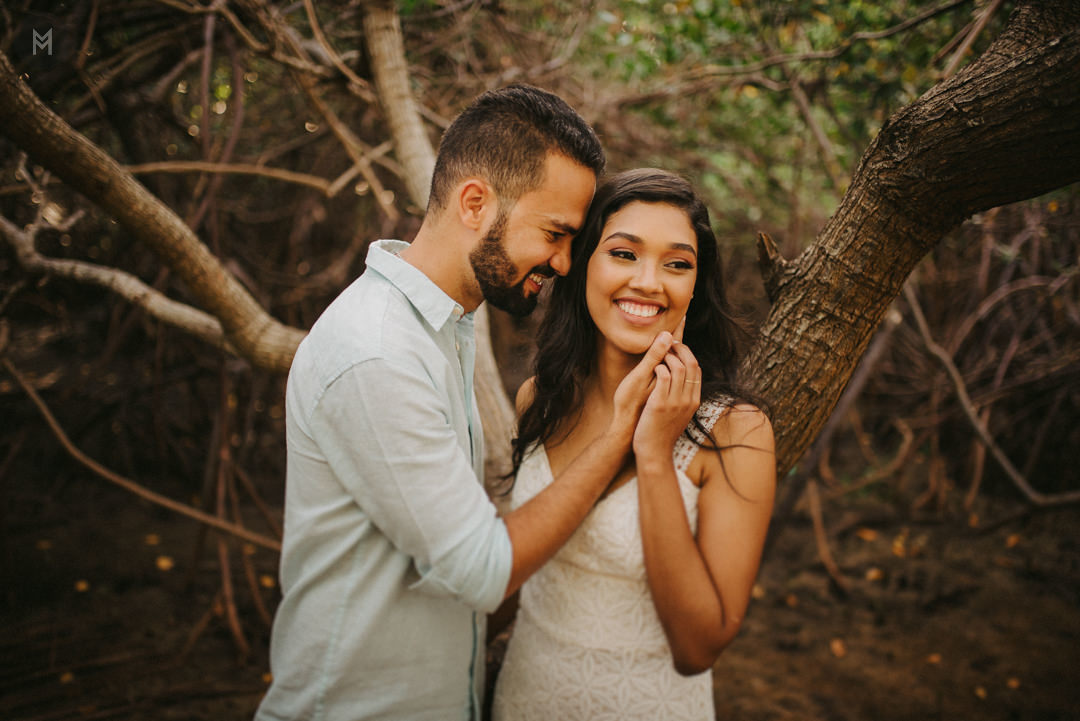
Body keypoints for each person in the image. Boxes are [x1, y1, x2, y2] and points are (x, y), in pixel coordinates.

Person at [256, 87, 679, 721]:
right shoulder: (378, 351)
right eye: (556, 233)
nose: (565, 261)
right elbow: (482, 570)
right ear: (475, 203)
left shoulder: (440, 329)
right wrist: (619, 435)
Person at [491, 168, 777, 720]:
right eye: (624, 254)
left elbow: (698, 649)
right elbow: (509, 578)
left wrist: (654, 455)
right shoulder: (540, 400)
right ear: (581, 266)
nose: (649, 282)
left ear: (695, 286)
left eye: (677, 264)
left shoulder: (736, 431)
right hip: (523, 701)